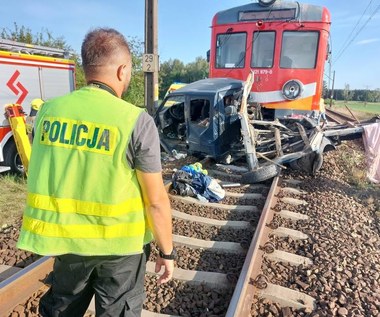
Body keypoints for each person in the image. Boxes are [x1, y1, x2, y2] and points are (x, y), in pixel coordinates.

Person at [17, 28, 174, 317]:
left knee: (63, 310)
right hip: (122, 249)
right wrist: (167, 252)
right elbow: (155, 200)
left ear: (86, 68)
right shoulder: (134, 120)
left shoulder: (48, 113)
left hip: (67, 243)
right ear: (122, 70)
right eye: (128, 72)